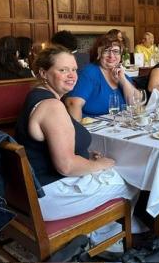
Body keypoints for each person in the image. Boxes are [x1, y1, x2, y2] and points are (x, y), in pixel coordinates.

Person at [14, 45, 139, 243]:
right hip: (50, 196)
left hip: (33, 191)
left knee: (115, 170)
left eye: (73, 69)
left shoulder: (36, 95)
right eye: (63, 70)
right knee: (133, 179)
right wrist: (100, 164)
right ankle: (105, 238)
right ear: (43, 73)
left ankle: (103, 231)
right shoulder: (52, 107)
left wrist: (87, 158)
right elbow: (67, 166)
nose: (71, 75)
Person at [66, 35, 136, 120]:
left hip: (119, 127)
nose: (111, 56)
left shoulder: (121, 74)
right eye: (106, 51)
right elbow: (73, 104)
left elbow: (136, 104)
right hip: (93, 128)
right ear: (98, 54)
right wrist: (78, 131)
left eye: (116, 51)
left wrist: (123, 80)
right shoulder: (89, 73)